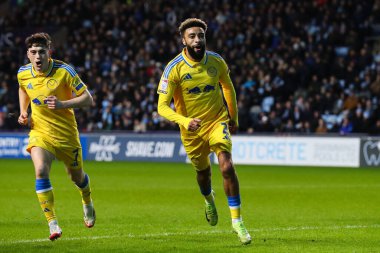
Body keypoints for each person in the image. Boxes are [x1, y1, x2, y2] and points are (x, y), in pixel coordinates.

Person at [157, 18, 251, 245]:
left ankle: (237, 221)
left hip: (217, 121)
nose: (197, 40)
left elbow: (228, 87)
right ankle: (208, 199)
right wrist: (184, 120)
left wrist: (233, 116)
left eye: (200, 36)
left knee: (227, 166)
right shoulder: (174, 68)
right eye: (192, 36)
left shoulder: (217, 61)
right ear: (184, 40)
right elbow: (161, 107)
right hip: (191, 131)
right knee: (203, 174)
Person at [17, 33, 95, 241]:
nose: (37, 56)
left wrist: (63, 104)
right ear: (28, 54)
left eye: (41, 51)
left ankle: (86, 199)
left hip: (67, 135)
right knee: (41, 170)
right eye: (33, 52)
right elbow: (23, 88)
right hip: (40, 132)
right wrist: (23, 112)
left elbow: (88, 99)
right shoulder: (23, 73)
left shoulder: (64, 71)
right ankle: (52, 223)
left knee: (77, 178)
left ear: (49, 51)